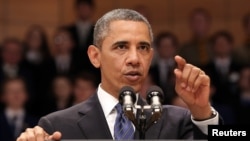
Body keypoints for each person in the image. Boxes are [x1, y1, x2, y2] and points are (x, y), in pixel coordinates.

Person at [17, 9, 221, 140]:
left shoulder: (179, 121)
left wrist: (203, 112)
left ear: (151, 57)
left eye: (143, 48)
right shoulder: (56, 126)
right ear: (95, 56)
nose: (134, 58)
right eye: (121, 47)